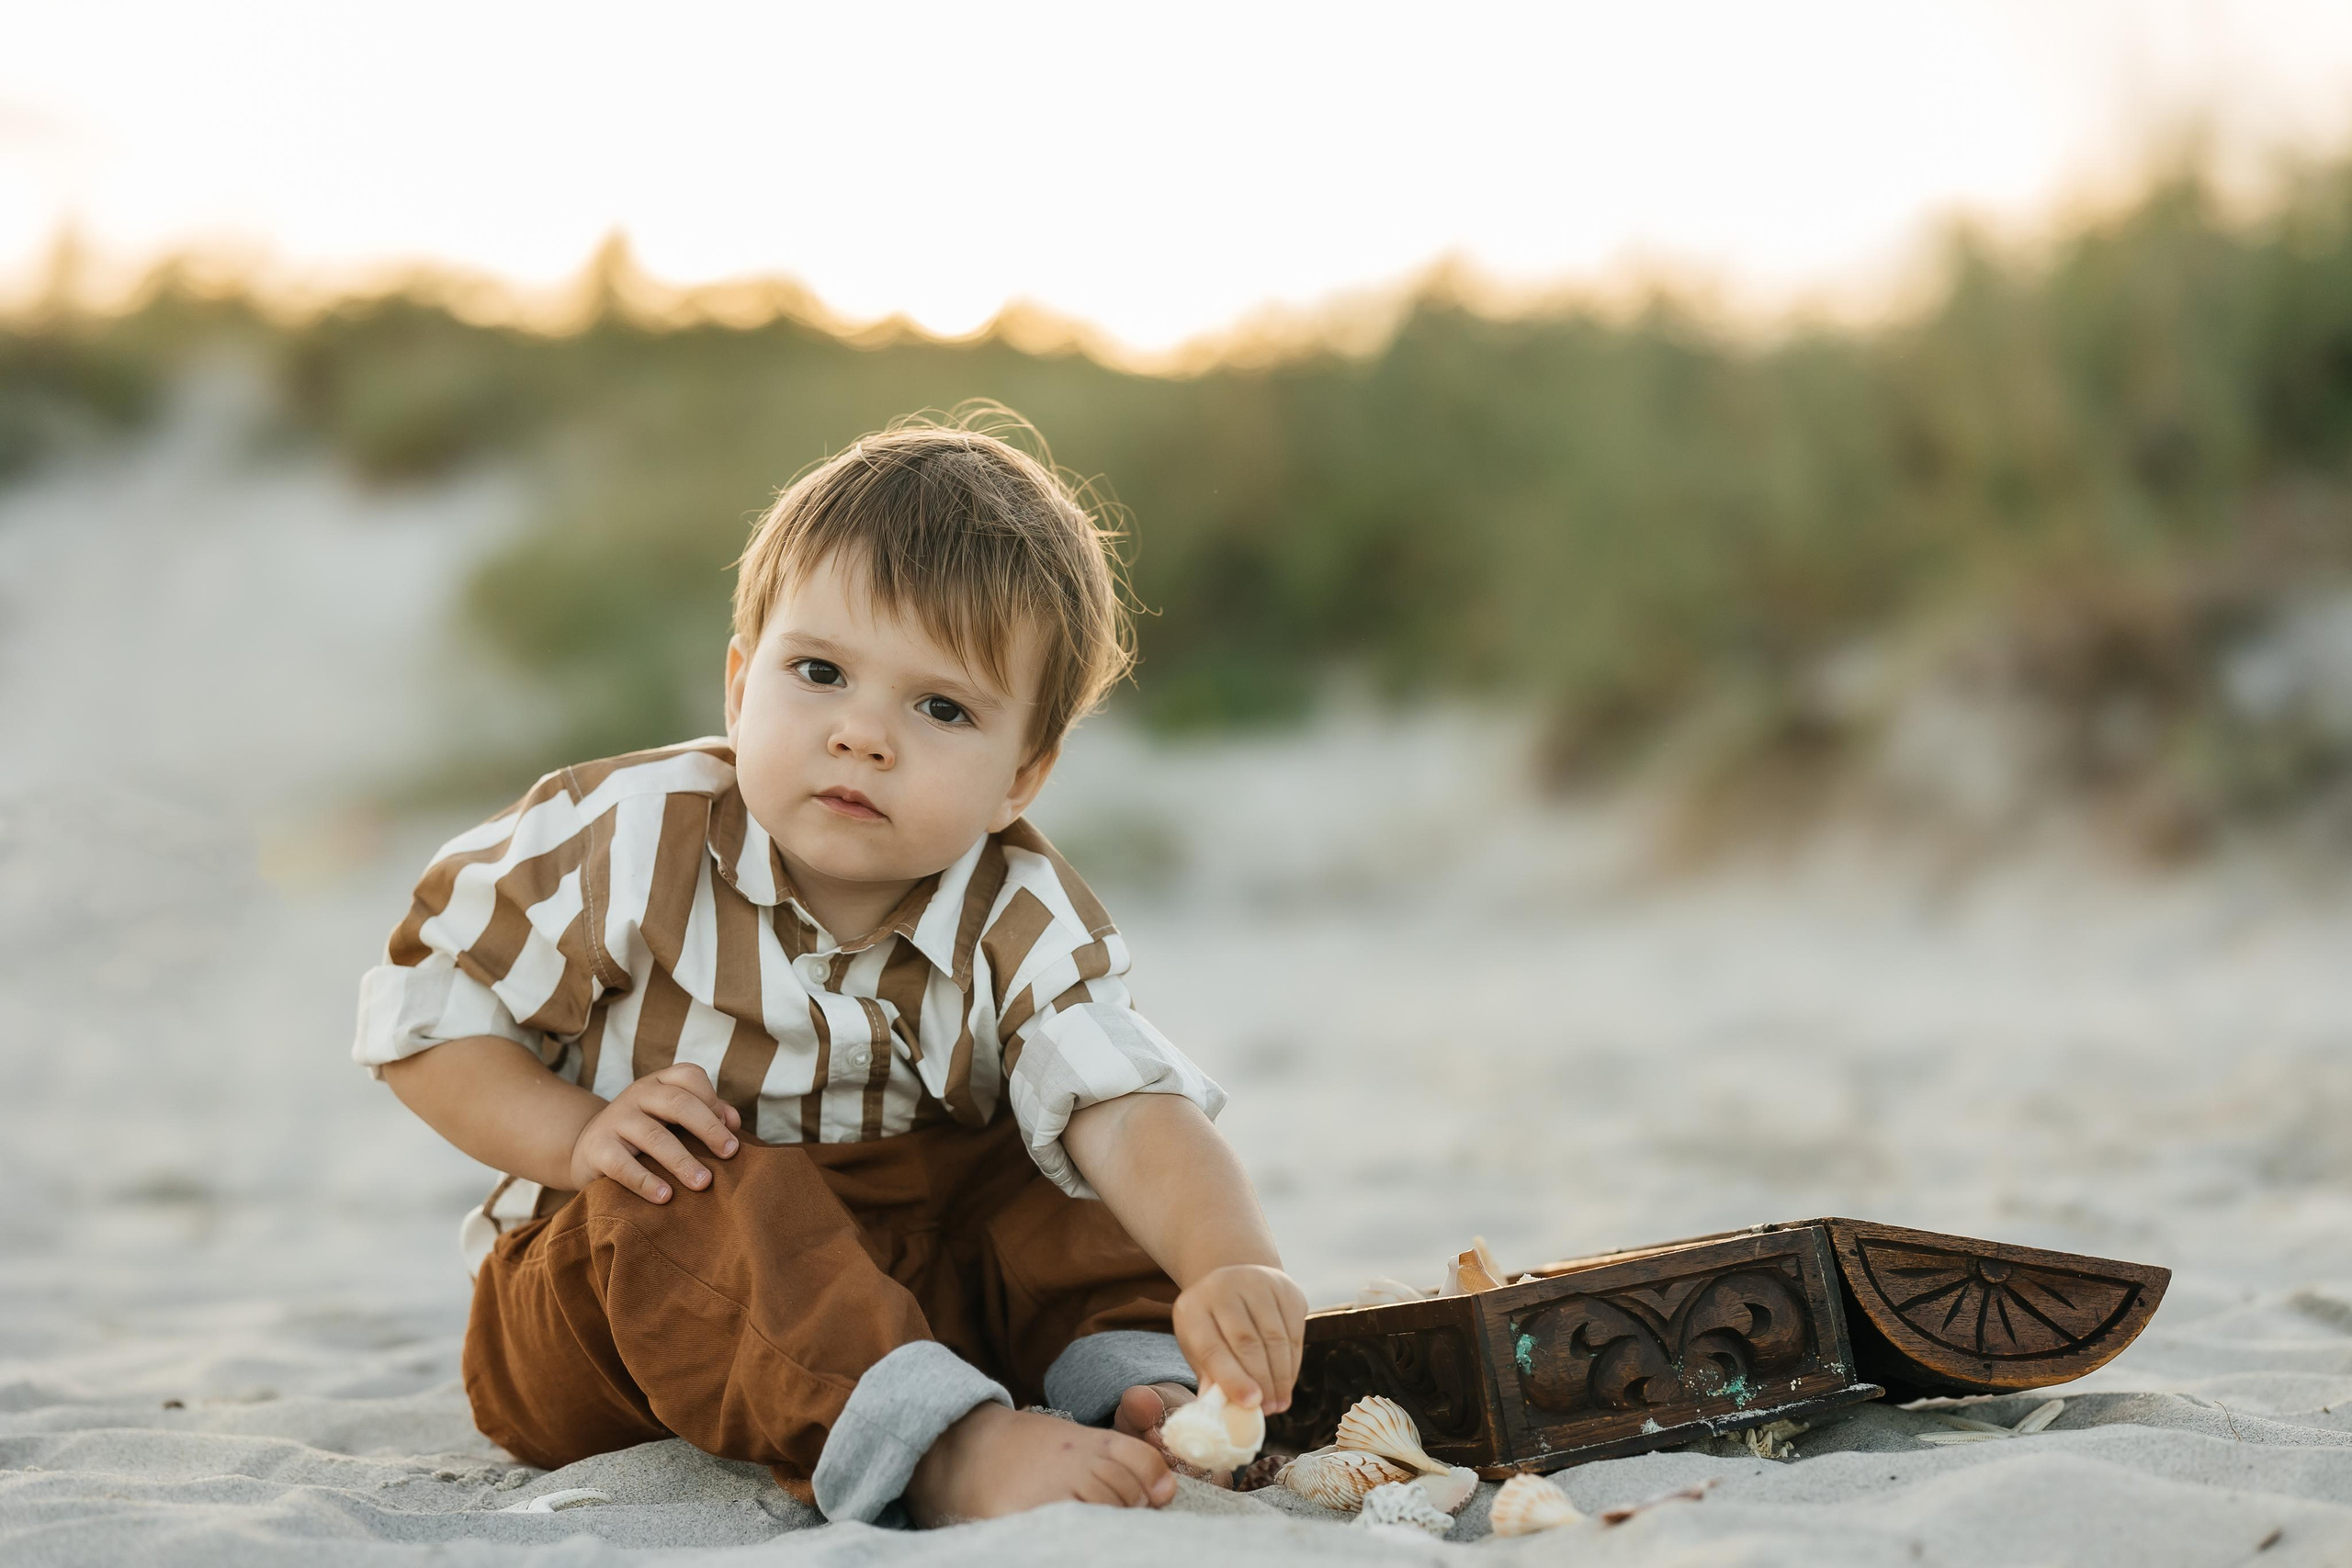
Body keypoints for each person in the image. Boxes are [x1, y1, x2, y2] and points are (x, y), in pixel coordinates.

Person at [352, 415, 1308, 1525]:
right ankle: (947, 1451)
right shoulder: (625, 836)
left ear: (1021, 778)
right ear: (738, 684)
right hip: (612, 1309)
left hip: (893, 1296)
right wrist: (573, 1136)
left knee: (1057, 1155)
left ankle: (1132, 1382)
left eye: (941, 707)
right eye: (819, 673)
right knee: (690, 1183)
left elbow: (1133, 1112)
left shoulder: (1018, 913)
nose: (864, 735)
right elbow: (427, 1013)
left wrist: (1231, 1263)